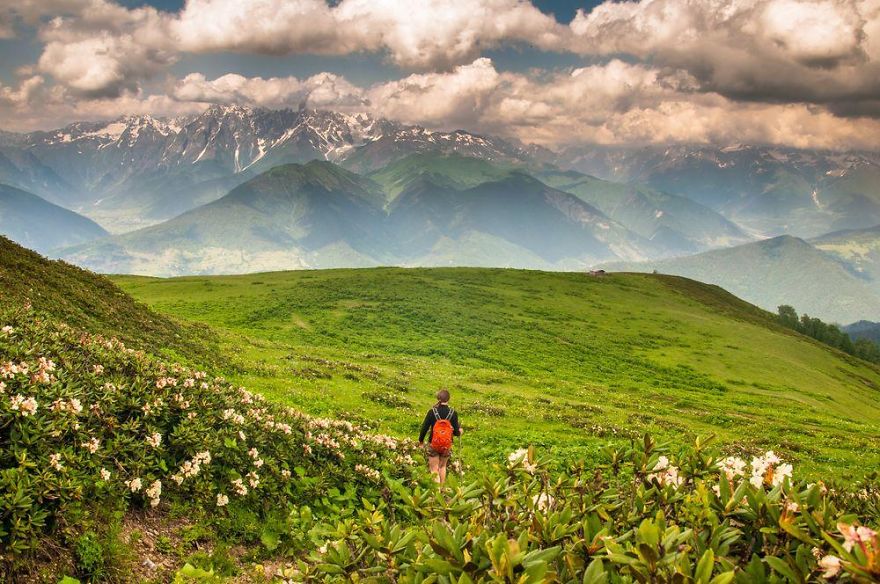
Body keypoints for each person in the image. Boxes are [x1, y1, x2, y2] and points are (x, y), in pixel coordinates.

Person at [417, 389, 462, 484]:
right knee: (442, 467)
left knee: (434, 469)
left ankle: (435, 493)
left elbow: (424, 428)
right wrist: (460, 431)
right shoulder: (453, 413)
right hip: (446, 445)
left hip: (433, 444)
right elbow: (456, 433)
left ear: (438, 398)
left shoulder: (432, 412)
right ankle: (441, 490)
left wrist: (421, 441)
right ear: (448, 399)